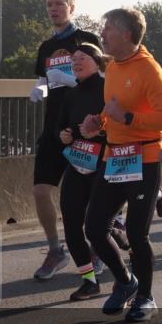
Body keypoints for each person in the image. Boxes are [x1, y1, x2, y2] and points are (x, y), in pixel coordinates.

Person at [81, 8, 162, 322]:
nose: (102, 34)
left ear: (126, 34)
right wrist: (98, 122)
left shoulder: (150, 69)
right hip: (115, 158)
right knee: (94, 228)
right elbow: (113, 111)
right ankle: (125, 281)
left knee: (136, 232)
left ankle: (146, 296)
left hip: (145, 159)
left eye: (107, 29)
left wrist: (128, 118)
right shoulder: (113, 67)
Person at [29, 0, 102, 281]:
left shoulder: (87, 40)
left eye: (59, 4)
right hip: (54, 127)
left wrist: (70, 80)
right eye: (49, 5)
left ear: (71, 7)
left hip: (84, 129)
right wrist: (40, 88)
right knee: (40, 190)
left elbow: (101, 80)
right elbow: (44, 79)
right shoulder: (46, 47)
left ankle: (96, 248)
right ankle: (55, 250)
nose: (54, 9)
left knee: (88, 195)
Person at [56, 43, 110, 300]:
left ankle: (127, 241)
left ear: (97, 62)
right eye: (73, 59)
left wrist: (99, 131)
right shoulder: (72, 95)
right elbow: (61, 128)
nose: (75, 62)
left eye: (82, 58)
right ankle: (89, 281)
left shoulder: (108, 88)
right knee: (71, 225)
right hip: (77, 164)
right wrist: (65, 135)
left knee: (98, 227)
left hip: (104, 164)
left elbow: (120, 127)